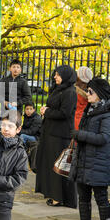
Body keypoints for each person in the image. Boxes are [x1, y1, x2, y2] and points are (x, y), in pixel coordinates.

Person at [70, 77, 110, 220]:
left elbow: (104, 138)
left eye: (90, 92)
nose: (87, 94)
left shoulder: (108, 114)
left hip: (98, 162)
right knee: (83, 198)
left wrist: (79, 135)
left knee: (101, 199)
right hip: (84, 159)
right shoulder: (90, 110)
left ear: (100, 94)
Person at [35, 65, 78, 208]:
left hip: (60, 135)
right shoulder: (58, 89)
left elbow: (64, 113)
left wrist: (47, 112)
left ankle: (59, 197)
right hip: (50, 132)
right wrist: (45, 110)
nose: (55, 77)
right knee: (49, 164)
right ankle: (51, 193)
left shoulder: (70, 92)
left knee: (58, 166)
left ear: (65, 76)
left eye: (58, 75)